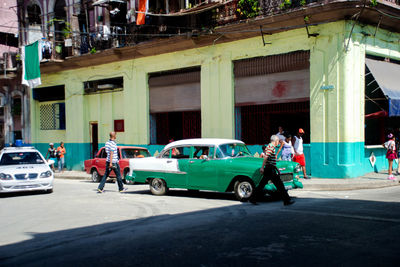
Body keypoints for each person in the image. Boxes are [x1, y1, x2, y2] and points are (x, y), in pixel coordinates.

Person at [249, 135, 295, 206]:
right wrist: (262, 167)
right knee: (280, 185)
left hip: (270, 169)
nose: (278, 143)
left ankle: (253, 198)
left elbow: (271, 160)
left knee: (262, 185)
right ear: (275, 141)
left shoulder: (270, 146)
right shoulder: (271, 147)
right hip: (269, 169)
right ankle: (286, 200)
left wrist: (276, 169)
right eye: (278, 141)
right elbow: (266, 157)